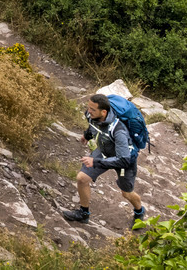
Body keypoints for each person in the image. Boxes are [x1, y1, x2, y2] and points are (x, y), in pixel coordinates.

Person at [62, 92, 146, 228]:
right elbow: (94, 126)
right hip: (104, 151)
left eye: (92, 109)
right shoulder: (92, 116)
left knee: (126, 193)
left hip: (125, 160)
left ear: (104, 112)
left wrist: (95, 162)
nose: (88, 111)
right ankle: (84, 214)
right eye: (88, 107)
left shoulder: (119, 131)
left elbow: (123, 160)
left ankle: (139, 212)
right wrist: (86, 136)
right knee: (82, 179)